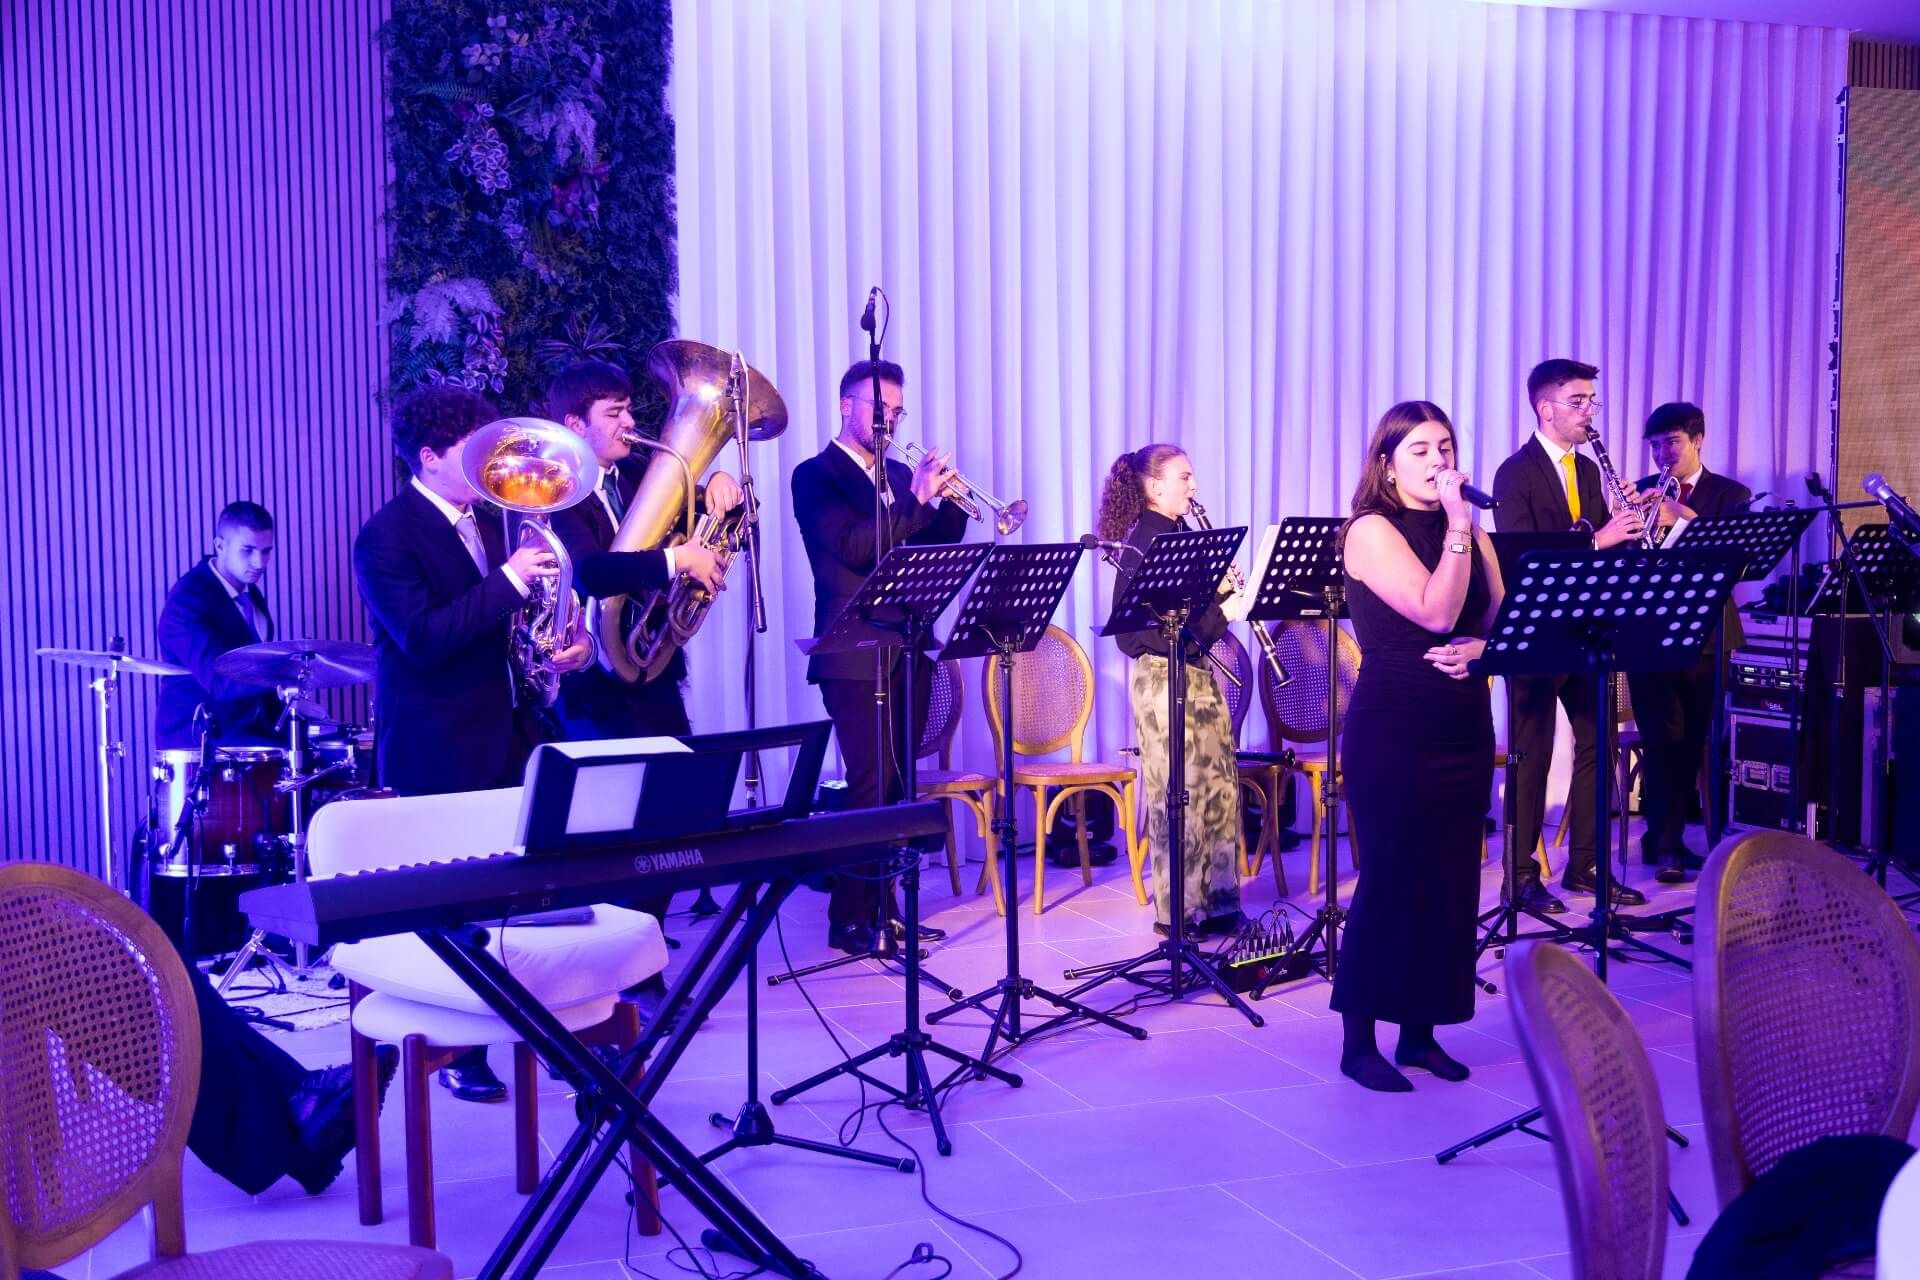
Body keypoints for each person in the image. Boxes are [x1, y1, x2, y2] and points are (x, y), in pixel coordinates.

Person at [353, 384, 591, 1101]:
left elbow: (509, 624)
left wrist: (564, 643)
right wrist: (512, 580)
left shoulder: (492, 521)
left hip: (509, 726)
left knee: (522, 893)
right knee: (457, 906)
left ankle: (538, 1029)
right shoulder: (385, 536)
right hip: (438, 743)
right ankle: (463, 1049)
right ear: (430, 457)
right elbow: (424, 640)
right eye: (475, 450)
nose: (495, 464)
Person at [1332, 401, 1502, 1092]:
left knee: (1451, 879)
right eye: (1421, 450)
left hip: (1464, 722)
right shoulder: (1370, 530)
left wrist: (1485, 649)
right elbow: (1435, 611)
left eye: (1445, 447)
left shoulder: (1473, 531)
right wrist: (1460, 525)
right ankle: (1358, 1042)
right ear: (1387, 464)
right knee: (1393, 878)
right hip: (1395, 725)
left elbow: (1501, 619)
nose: (1438, 462)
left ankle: (1420, 1033)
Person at [544, 358, 734, 929]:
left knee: (675, 813)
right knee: (620, 835)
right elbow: (591, 574)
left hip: (651, 674)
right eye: (614, 413)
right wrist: (678, 560)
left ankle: (643, 944)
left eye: (628, 409)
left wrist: (715, 488)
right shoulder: (558, 491)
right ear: (575, 424)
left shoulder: (632, 475)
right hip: (595, 691)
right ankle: (626, 955)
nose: (629, 421)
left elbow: (694, 520)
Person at [790, 359, 968, 954]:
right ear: (846, 406)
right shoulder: (815, 476)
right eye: (879, 409)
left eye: (896, 411)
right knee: (868, 787)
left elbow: (932, 546)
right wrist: (914, 498)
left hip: (907, 644)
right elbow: (855, 546)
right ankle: (849, 919)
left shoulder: (895, 472)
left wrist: (951, 503)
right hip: (852, 652)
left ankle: (887, 911)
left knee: (897, 786)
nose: (888, 421)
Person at [1490, 359, 1647, 913]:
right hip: (1537, 632)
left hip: (1586, 628)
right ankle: (1519, 877)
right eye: (1578, 402)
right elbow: (1523, 556)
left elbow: (1602, 549)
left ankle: (1587, 865)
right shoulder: (1514, 473)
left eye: (1591, 402)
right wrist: (1599, 539)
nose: (1589, 412)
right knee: (1530, 754)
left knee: (1598, 745)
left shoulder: (1586, 471)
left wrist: (1632, 526)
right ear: (1546, 408)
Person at [1093, 444, 1245, 936]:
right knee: (1177, 793)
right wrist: (1222, 609)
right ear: (1155, 487)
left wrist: (1221, 597)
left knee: (1218, 787)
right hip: (1163, 677)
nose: (1194, 486)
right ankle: (1178, 911)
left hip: (1196, 672)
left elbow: (1192, 622)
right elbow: (1141, 633)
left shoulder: (1180, 534)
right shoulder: (1145, 542)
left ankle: (1220, 902)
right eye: (1185, 477)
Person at [1628, 401, 1752, 882]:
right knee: (1661, 740)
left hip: (1708, 633)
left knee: (1695, 738)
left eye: (1672, 443)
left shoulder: (1730, 494)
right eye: (1655, 445)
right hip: (1650, 632)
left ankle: (1675, 839)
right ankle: (1665, 843)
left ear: (1697, 441)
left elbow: (1735, 560)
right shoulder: (1641, 491)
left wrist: (1682, 517)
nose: (1663, 454)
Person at [155, 501, 281, 750]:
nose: (260, 563)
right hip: (200, 740)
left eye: (266, 551)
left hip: (245, 730)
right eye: (248, 551)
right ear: (220, 546)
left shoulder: (249, 592)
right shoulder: (187, 601)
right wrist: (287, 673)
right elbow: (219, 682)